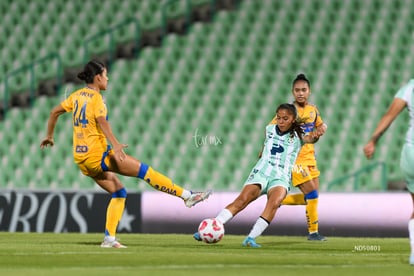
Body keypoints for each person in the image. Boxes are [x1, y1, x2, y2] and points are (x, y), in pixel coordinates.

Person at [40, 60, 211, 248]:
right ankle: (187, 196)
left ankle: (109, 239)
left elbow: (54, 112)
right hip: (97, 155)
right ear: (97, 78)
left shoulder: (76, 95)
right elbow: (102, 121)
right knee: (144, 171)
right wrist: (116, 145)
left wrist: (49, 136)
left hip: (82, 160)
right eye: (105, 75)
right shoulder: (96, 99)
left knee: (119, 192)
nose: (107, 78)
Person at [193, 103, 320, 247]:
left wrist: (316, 136)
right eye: (278, 118)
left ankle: (251, 238)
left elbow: (310, 139)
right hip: (262, 171)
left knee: (274, 203)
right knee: (242, 200)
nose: (281, 121)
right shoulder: (269, 129)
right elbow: (266, 145)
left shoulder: (299, 135)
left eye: (285, 118)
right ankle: (211, 227)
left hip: (281, 176)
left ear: (292, 119)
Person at [270, 74, 327, 241]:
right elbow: (272, 128)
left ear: (309, 91)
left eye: (303, 90)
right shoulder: (288, 111)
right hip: (295, 160)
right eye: (297, 90)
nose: (300, 93)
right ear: (292, 92)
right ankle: (313, 233)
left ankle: (279, 199)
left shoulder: (313, 110)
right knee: (312, 194)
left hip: (310, 158)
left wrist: (322, 128)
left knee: (310, 198)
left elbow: (319, 125)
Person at [363, 79, 414, 265]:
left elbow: (388, 116)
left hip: (410, 153)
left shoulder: (410, 87)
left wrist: (373, 140)